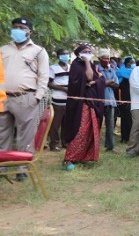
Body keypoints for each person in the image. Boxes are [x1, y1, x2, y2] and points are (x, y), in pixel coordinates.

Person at [0, 17, 50, 182]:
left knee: (25, 136)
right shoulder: (3, 50)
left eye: (22, 27)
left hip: (26, 97)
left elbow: (44, 76)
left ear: (30, 31)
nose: (18, 30)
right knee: (2, 135)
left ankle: (22, 169)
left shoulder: (38, 51)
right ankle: (2, 168)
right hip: (3, 98)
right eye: (15, 27)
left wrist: (37, 97)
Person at [62, 45, 106, 170]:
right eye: (85, 52)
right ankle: (69, 159)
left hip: (92, 103)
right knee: (79, 130)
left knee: (90, 131)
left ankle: (83, 157)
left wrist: (96, 82)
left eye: (89, 52)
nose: (88, 54)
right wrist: (87, 62)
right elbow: (89, 77)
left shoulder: (93, 66)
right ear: (78, 54)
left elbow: (99, 79)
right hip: (80, 105)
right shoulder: (76, 66)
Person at [48, 49, 71, 151]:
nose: (65, 56)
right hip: (58, 98)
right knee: (56, 123)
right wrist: (63, 89)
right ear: (58, 56)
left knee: (67, 122)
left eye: (67, 54)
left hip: (70, 98)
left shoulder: (71, 67)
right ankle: (54, 144)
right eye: (63, 54)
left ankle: (65, 142)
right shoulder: (53, 68)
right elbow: (49, 83)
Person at [97, 49, 119, 152]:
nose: (106, 60)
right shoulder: (96, 70)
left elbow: (116, 84)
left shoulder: (112, 71)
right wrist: (109, 82)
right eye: (104, 58)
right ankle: (94, 146)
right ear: (99, 59)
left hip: (110, 101)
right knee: (96, 124)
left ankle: (110, 146)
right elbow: (96, 84)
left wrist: (105, 83)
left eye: (108, 58)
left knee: (110, 125)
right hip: (98, 101)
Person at [117, 56, 135, 143]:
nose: (133, 64)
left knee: (130, 117)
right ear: (128, 63)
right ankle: (124, 137)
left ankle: (128, 137)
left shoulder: (134, 72)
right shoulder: (121, 71)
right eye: (132, 62)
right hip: (123, 96)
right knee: (125, 117)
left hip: (132, 97)